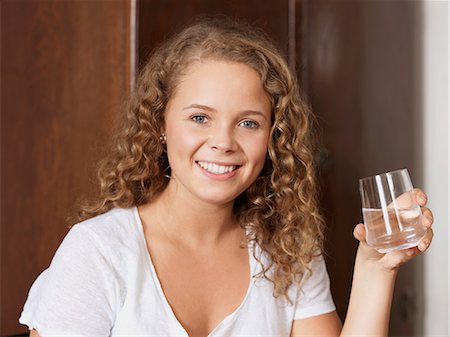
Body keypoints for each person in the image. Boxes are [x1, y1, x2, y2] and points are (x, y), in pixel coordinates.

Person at [19, 19, 434, 337]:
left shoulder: (288, 250)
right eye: (200, 117)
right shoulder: (99, 252)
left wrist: (376, 266)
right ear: (160, 123)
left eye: (249, 123)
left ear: (273, 136)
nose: (223, 142)